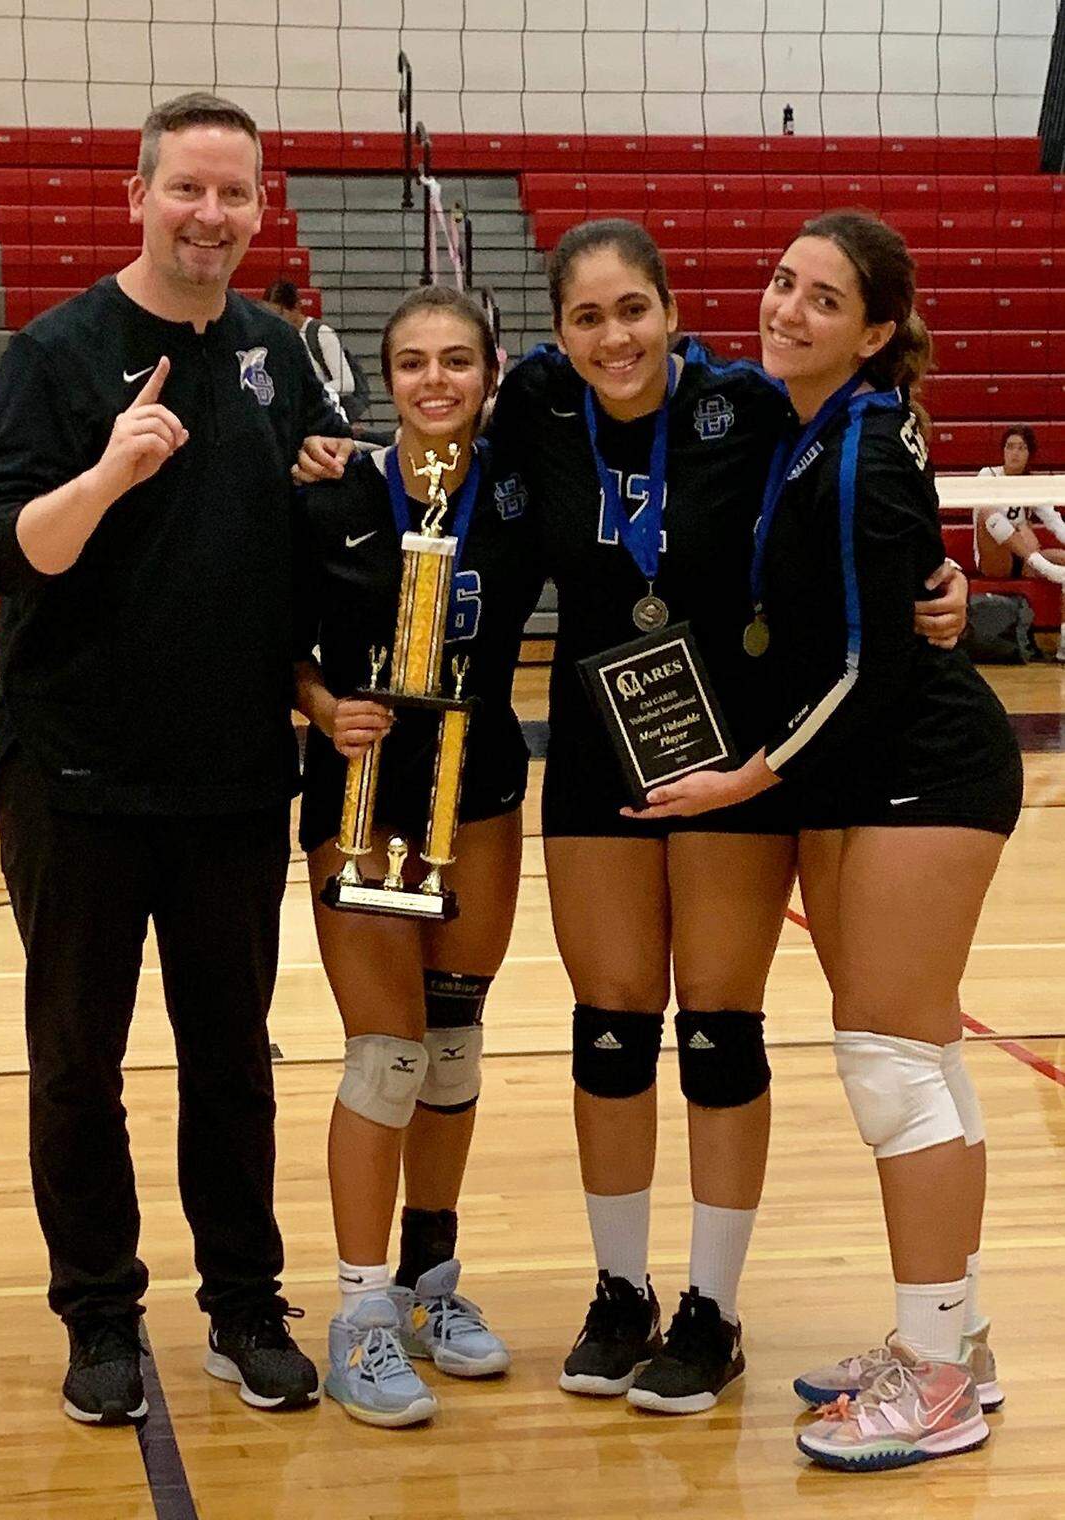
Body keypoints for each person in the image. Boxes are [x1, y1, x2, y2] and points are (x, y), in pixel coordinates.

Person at [296, 220, 966, 1419]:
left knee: (718, 1025)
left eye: (634, 311)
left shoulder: (748, 406)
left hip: (730, 752)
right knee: (609, 1027)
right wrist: (320, 454)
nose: (615, 337)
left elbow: (865, 485)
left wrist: (941, 585)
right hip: (602, 751)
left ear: (671, 311)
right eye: (588, 318)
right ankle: (620, 1291)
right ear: (554, 338)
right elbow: (418, 443)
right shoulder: (536, 410)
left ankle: (711, 1311)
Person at [0, 92, 347, 1426]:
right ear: (138, 193)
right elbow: (8, 553)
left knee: (234, 1057)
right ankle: (101, 1316)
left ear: (259, 206)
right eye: (188, 188)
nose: (213, 216)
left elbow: (303, 554)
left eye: (236, 195)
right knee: (79, 1058)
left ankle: (245, 1306)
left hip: (235, 774)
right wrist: (111, 472)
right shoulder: (58, 354)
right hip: (76, 774)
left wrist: (334, 493)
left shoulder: (279, 354)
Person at [634, 210, 1020, 1471]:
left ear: (875, 330)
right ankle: (948, 1343)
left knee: (891, 1059)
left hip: (922, 763)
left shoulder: (860, 449)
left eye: (822, 296)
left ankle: (934, 1379)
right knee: (916, 1051)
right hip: (874, 769)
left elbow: (866, 658)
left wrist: (746, 774)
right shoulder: (816, 422)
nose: (787, 307)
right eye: (782, 281)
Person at [293, 285, 541, 1425]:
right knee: (383, 1055)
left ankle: (430, 1282)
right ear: (380, 377)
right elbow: (267, 635)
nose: (434, 380)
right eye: (410, 362)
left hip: (479, 795)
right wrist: (320, 701)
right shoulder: (335, 485)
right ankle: (358, 1312)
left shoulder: (524, 489)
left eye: (456, 361)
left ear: (492, 375)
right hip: (362, 798)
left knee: (450, 1046)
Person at [974, 425, 1065, 660]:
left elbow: (1055, 522)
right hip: (994, 559)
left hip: (1025, 558)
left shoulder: (1031, 483)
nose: (1014, 453)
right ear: (1002, 451)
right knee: (987, 512)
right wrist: (1021, 528)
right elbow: (986, 518)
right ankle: (1038, 562)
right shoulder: (988, 474)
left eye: (1022, 448)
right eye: (1009, 447)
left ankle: (1064, 644)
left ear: (1029, 454)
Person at [263, 278, 374, 431]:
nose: (276, 319)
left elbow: (346, 384)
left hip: (326, 412)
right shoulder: (277, 337)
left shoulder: (320, 333)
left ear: (296, 307)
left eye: (281, 313)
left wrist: (311, 392)